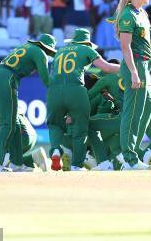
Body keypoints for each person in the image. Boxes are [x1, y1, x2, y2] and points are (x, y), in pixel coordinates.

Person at [48, 28, 120, 171]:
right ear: (87, 42)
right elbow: (106, 67)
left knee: (54, 124)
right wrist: (129, 67)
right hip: (75, 89)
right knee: (81, 129)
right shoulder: (86, 49)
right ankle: (77, 165)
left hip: (54, 91)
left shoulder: (60, 51)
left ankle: (56, 150)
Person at [0, 34, 57, 172]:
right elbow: (46, 80)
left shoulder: (26, 47)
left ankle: (17, 163)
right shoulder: (39, 52)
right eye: (49, 51)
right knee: (9, 124)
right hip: (6, 80)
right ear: (46, 48)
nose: (48, 54)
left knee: (15, 123)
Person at [115, 0, 151, 170]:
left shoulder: (141, 13)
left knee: (147, 109)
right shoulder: (128, 15)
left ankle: (132, 151)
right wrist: (133, 72)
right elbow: (126, 47)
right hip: (135, 65)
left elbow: (144, 43)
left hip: (145, 64)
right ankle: (128, 157)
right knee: (133, 112)